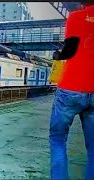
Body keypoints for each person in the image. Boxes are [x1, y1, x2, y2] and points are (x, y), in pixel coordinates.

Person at [49, 2, 94, 179]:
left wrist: (58, 55)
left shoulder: (76, 16)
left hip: (70, 88)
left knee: (58, 139)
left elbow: (70, 49)